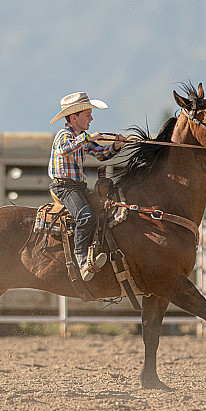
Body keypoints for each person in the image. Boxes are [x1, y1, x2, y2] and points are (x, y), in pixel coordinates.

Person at [48, 92, 126, 281]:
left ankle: (95, 251)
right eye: (87, 115)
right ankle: (82, 259)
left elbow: (101, 154)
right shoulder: (64, 135)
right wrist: (88, 138)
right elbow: (63, 150)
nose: (91, 119)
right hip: (64, 188)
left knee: (105, 212)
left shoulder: (81, 137)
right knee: (86, 216)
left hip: (77, 187)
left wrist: (116, 146)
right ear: (74, 117)